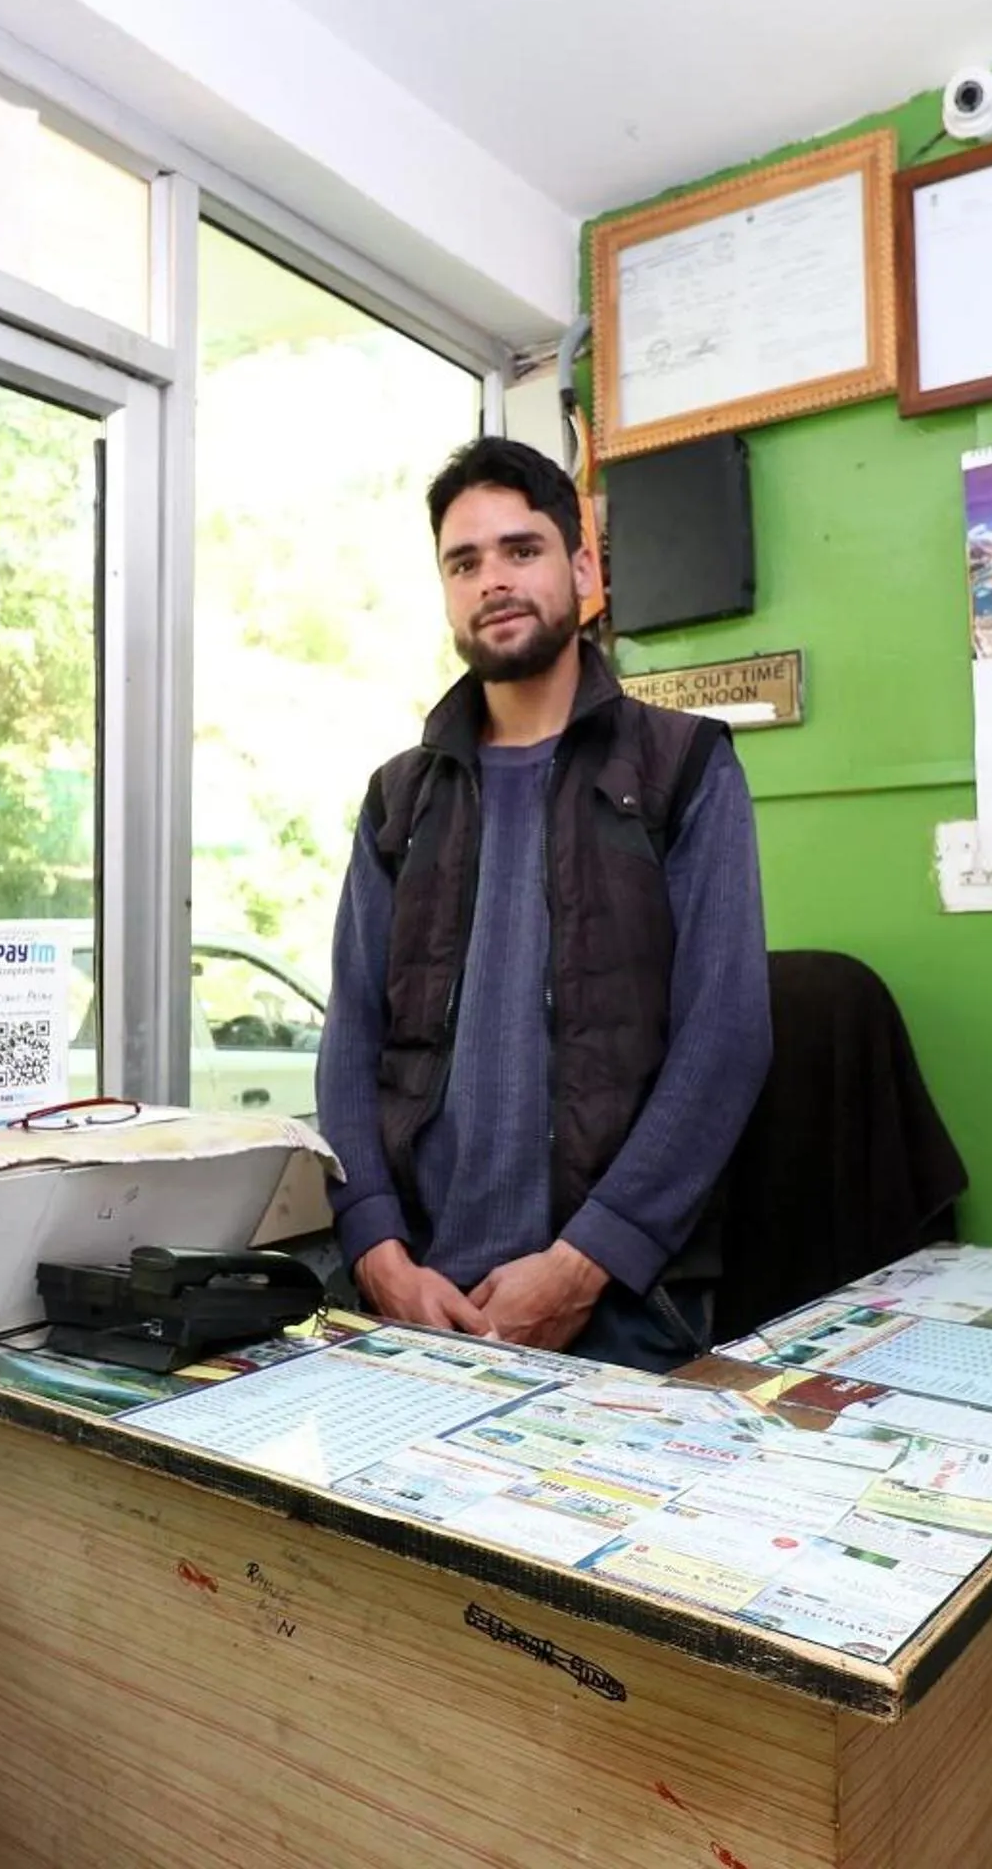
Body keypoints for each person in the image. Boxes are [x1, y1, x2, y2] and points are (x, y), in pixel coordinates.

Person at [314, 436, 772, 1372]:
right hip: (415, 1302)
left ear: (582, 565)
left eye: (521, 550)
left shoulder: (684, 768)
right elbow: (349, 1039)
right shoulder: (399, 799)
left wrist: (583, 1264)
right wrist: (375, 1248)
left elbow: (725, 1038)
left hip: (622, 1306)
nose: (494, 579)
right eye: (465, 561)